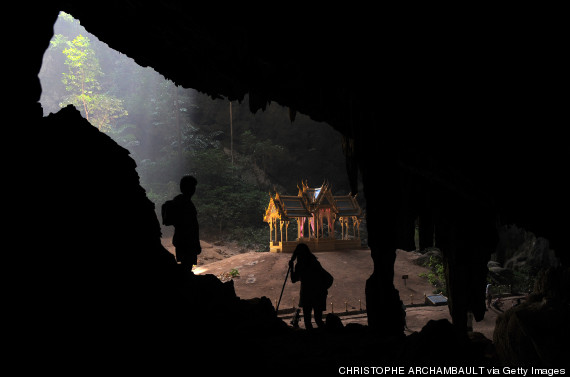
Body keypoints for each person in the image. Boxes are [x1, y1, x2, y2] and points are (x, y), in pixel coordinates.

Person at [289, 243, 333, 330]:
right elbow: (329, 278)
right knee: (318, 320)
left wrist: (291, 267)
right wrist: (323, 289)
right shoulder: (314, 262)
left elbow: (294, 279)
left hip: (308, 294)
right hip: (318, 293)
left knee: (308, 321)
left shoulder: (301, 265)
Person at [171, 175, 201, 271]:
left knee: (184, 265)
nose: (194, 189)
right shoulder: (186, 204)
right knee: (186, 266)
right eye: (193, 186)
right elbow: (192, 226)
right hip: (187, 242)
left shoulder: (177, 200)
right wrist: (196, 243)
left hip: (180, 239)